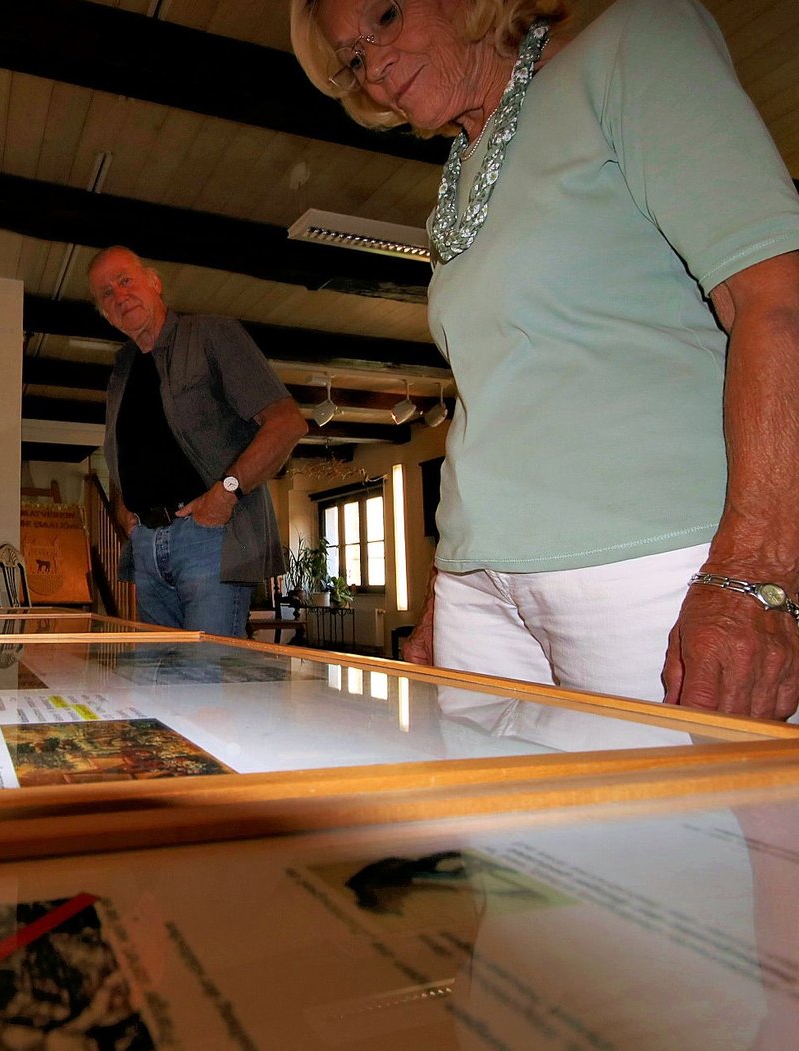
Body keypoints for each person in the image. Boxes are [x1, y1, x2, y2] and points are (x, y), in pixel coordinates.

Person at [291, 0, 799, 719]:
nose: (374, 67)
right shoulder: (463, 171)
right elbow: (494, 391)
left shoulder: (632, 44)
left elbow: (775, 300)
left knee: (673, 831)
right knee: (493, 835)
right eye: (353, 58)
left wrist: (759, 570)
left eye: (387, 16)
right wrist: (451, 576)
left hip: (650, 568)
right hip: (479, 590)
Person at [89, 246, 308, 636]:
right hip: (147, 546)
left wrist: (225, 494)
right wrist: (127, 509)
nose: (119, 296)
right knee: (158, 683)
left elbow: (287, 423)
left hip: (208, 538)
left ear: (154, 282)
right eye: (106, 293)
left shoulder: (211, 334)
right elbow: (123, 451)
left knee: (206, 679)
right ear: (104, 313)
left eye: (125, 280)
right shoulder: (121, 369)